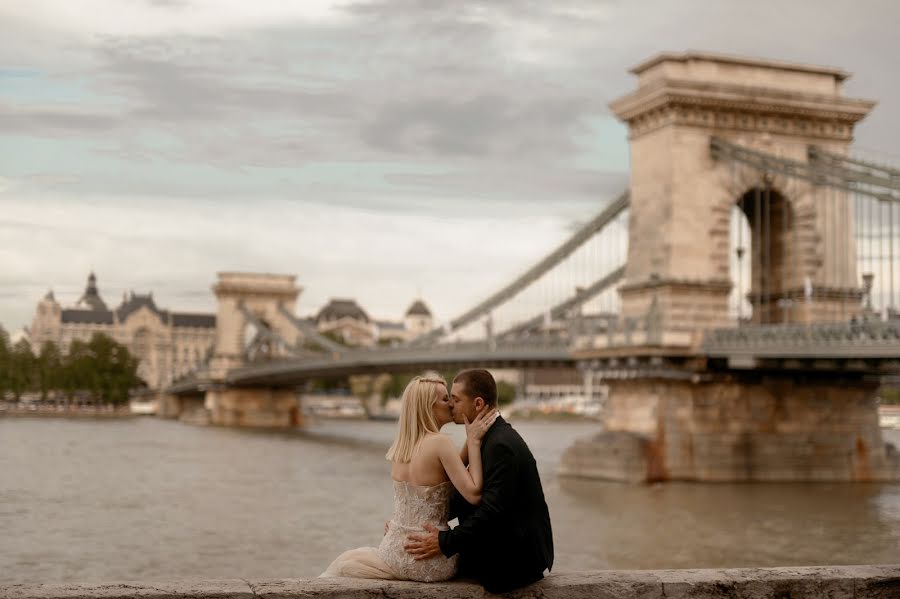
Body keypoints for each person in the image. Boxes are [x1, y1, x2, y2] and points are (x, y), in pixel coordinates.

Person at [320, 373, 499, 581]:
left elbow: (443, 478)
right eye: (444, 399)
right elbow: (475, 493)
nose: (451, 403)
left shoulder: (401, 448)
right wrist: (474, 441)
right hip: (430, 559)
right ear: (427, 407)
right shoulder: (440, 443)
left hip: (394, 552)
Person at [404, 369, 554, 593]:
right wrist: (410, 519)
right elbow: (460, 497)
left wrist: (445, 542)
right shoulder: (486, 437)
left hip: (517, 560)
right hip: (500, 544)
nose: (451, 405)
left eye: (455, 399)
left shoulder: (500, 444)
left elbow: (491, 511)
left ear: (478, 404)